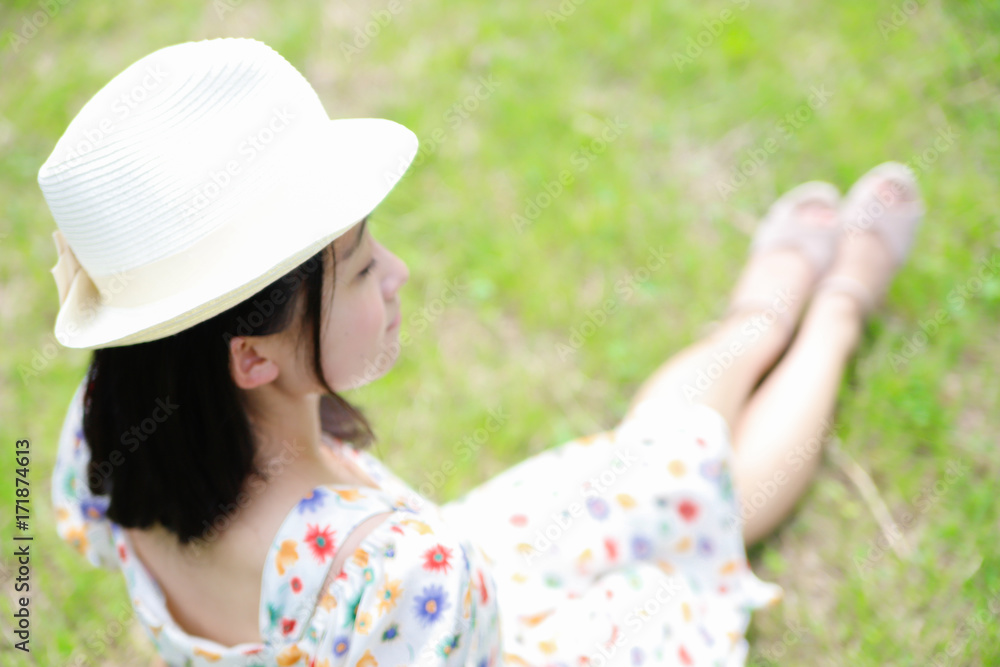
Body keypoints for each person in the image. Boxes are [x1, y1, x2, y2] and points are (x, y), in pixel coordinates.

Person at [43, 38, 923, 667]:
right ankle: (833, 309)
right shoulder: (396, 571)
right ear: (250, 357)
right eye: (361, 268)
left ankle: (761, 320)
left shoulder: (109, 432)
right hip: (482, 624)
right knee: (694, 494)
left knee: (643, 463)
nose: (399, 273)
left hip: (453, 589)